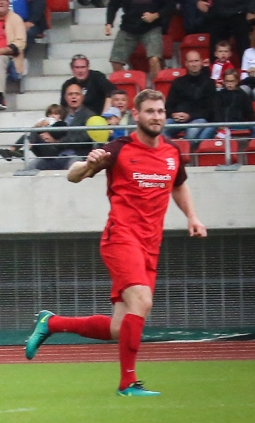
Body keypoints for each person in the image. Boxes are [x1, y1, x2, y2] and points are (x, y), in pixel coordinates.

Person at [25, 89, 206, 397]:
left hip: (151, 245)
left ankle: (52, 323)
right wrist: (88, 163)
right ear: (136, 115)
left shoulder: (172, 152)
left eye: (160, 111)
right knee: (142, 301)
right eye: (150, 111)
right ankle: (128, 384)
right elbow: (73, 176)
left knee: (119, 328)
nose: (156, 117)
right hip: (121, 237)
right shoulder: (119, 149)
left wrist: (192, 217)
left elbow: (179, 185)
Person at [105, 0, 174, 81]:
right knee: (116, 62)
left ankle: (154, 90)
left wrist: (155, 15)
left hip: (151, 28)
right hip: (128, 27)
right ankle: (127, 89)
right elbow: (113, 4)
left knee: (154, 60)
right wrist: (109, 22)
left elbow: (170, 4)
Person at [166, 50, 217, 145]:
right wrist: (173, 114)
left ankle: (183, 150)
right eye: (191, 61)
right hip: (177, 119)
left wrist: (190, 116)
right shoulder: (178, 82)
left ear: (201, 62)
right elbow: (168, 106)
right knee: (161, 128)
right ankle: (171, 149)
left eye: (196, 61)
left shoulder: (209, 83)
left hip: (199, 118)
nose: (194, 64)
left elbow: (210, 110)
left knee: (192, 130)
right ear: (186, 63)